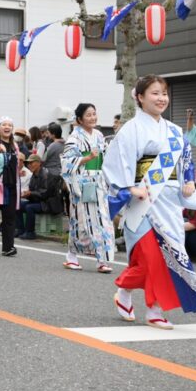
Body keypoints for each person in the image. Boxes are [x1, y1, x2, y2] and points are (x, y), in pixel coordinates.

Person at [103, 75, 196, 329]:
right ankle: (155, 310)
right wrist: (130, 187)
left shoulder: (174, 130)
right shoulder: (131, 128)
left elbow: (185, 159)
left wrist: (188, 180)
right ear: (140, 97)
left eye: (164, 93)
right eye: (154, 93)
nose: (161, 98)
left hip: (170, 200)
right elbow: (118, 161)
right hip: (143, 202)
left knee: (167, 254)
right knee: (152, 257)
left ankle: (125, 291)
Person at [61, 102, 115, 273]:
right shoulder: (74, 138)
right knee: (81, 221)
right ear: (79, 119)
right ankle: (72, 255)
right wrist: (86, 158)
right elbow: (66, 162)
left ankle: (102, 259)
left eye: (94, 113)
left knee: (103, 219)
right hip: (82, 182)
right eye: (88, 115)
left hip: (98, 181)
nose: (92, 117)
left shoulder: (99, 135)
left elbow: (105, 158)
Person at [0, 117, 20, 257]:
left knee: (9, 217)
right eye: (4, 125)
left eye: (10, 125)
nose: (7, 127)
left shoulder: (15, 145)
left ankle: (8, 247)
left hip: (10, 185)